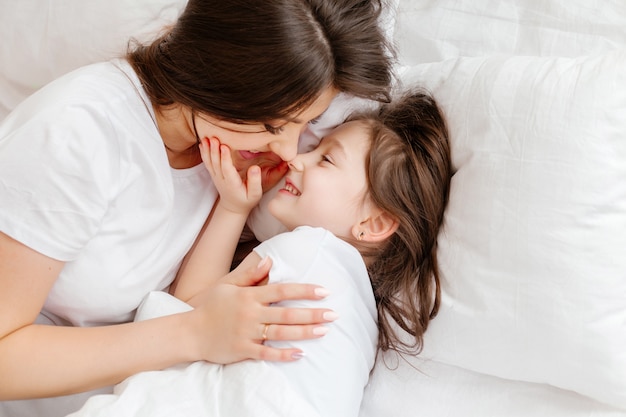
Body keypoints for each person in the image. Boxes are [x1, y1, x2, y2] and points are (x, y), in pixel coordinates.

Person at [0, 0, 394, 415]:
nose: (290, 151)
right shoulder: (75, 135)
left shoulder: (230, 154)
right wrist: (193, 332)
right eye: (271, 126)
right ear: (211, 80)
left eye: (306, 123)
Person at [103, 89, 447, 417]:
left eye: (325, 158)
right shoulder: (363, 322)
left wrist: (234, 208)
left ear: (372, 224)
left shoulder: (309, 249)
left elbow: (187, 309)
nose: (297, 159)